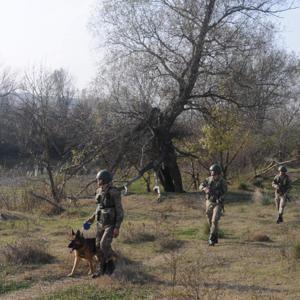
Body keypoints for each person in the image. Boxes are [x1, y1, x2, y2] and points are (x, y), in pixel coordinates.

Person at [83, 169, 124, 277]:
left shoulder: (114, 192)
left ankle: (111, 267)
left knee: (104, 244)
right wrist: (92, 218)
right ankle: (101, 270)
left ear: (104, 180)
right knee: (97, 247)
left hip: (110, 224)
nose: (97, 181)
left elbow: (120, 211)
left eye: (99, 179)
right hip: (100, 222)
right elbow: (99, 207)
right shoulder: (99, 191)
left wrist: (117, 227)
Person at [199, 164, 227, 246]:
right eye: (211, 172)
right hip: (209, 202)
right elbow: (200, 186)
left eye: (214, 173)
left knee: (214, 220)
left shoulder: (222, 182)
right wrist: (205, 189)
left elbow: (225, 192)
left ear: (218, 173)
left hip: (218, 203)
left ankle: (211, 239)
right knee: (209, 218)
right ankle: (215, 234)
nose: (212, 174)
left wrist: (221, 198)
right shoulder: (208, 180)